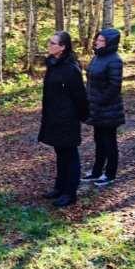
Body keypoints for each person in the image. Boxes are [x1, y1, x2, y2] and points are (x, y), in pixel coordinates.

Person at [38, 31, 89, 207]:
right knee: (60, 153)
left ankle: (70, 192)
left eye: (53, 43)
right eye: (50, 42)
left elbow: (79, 95)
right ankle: (59, 187)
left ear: (63, 47)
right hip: (54, 116)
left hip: (68, 118)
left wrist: (82, 115)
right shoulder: (53, 64)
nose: (50, 46)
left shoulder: (70, 68)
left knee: (70, 154)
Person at [84, 28, 125, 187]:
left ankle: (110, 174)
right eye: (97, 40)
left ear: (110, 43)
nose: (97, 42)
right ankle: (96, 171)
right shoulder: (97, 57)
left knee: (109, 142)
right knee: (98, 140)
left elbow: (115, 86)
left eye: (101, 41)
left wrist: (100, 101)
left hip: (109, 109)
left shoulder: (115, 60)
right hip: (96, 108)